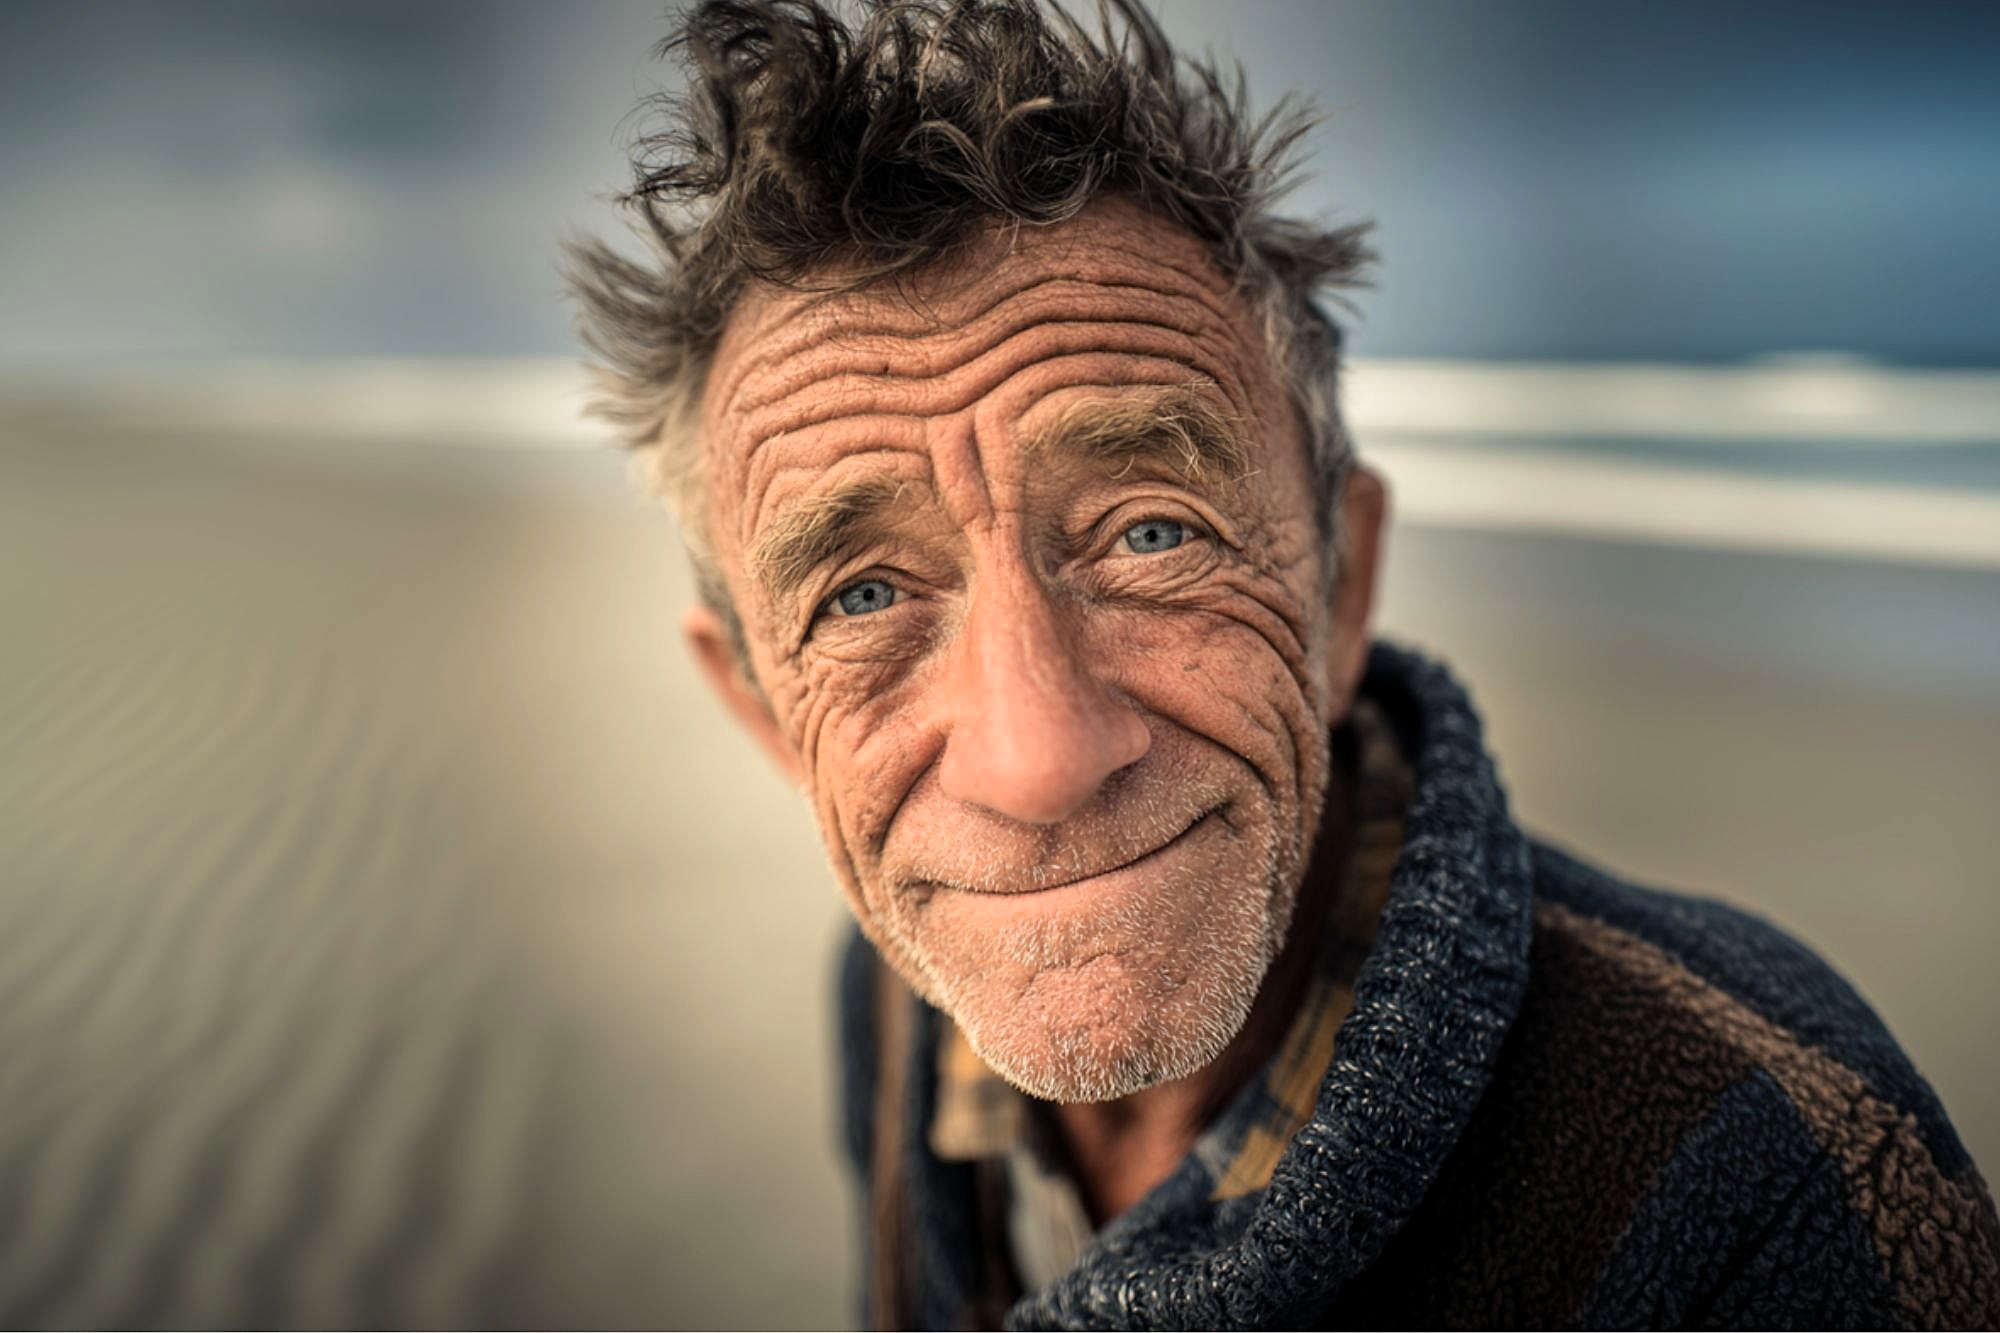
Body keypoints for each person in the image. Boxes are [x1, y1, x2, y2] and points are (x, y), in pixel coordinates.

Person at [567, 1, 2000, 1326]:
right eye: (863, 590)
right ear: (760, 704)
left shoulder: (1771, 1175)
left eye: (1149, 531)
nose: (1036, 758)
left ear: (1341, 583)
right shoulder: (896, 989)